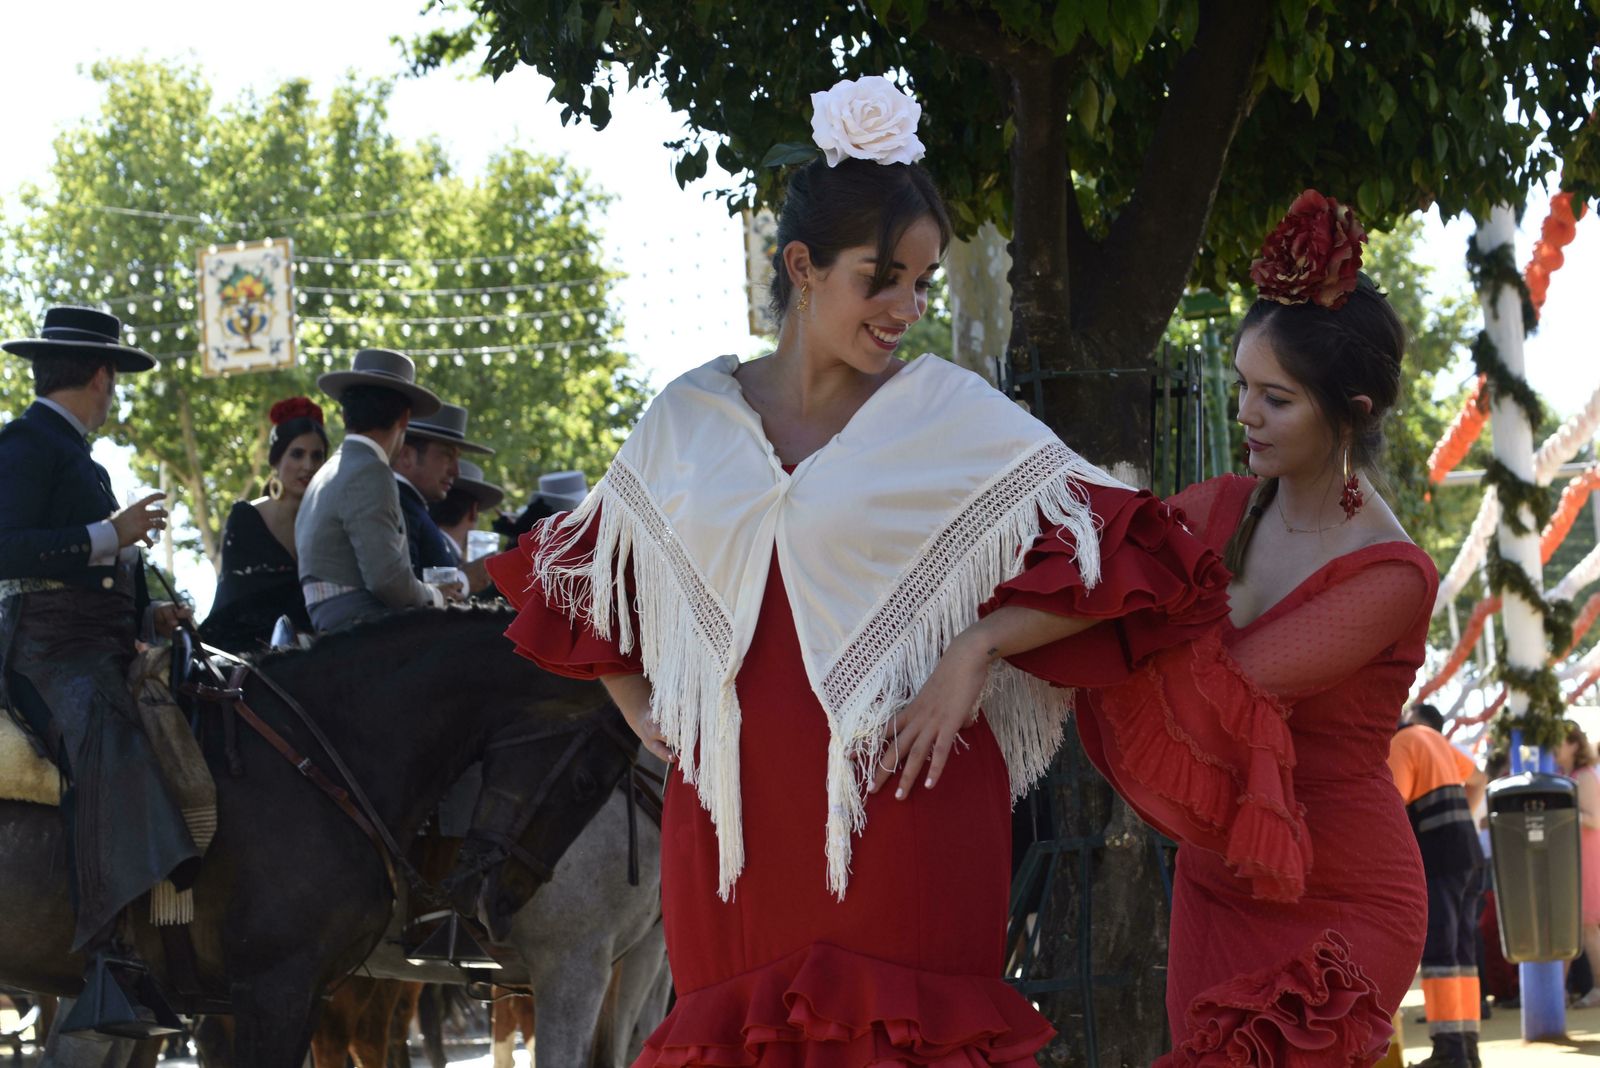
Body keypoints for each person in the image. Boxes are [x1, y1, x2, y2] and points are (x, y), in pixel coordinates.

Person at [488, 77, 1249, 1066]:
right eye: (879, 277)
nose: (905, 308)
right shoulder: (686, 418)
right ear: (802, 266)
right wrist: (647, 713)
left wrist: (975, 645)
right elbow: (573, 585)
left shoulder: (950, 415)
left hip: (909, 813)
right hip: (731, 835)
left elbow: (1131, 552)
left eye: (923, 282)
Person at [0, 305, 196, 1036]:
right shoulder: (25, 441)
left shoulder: (77, 454)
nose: (114, 392)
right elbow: (6, 548)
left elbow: (90, 580)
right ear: (99, 375)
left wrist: (151, 618)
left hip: (82, 641)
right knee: (110, 728)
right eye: (113, 379)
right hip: (42, 651)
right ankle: (108, 945)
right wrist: (109, 533)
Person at [295, 348, 449, 632]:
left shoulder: (329, 471)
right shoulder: (370, 471)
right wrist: (437, 596)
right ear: (405, 418)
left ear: (344, 414)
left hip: (331, 621)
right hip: (362, 627)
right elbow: (386, 580)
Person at [1389, 703, 1487, 1065]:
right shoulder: (1431, 736)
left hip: (1440, 858)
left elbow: (1392, 807)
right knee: (1463, 956)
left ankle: (1449, 1052)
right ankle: (1467, 1048)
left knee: (1441, 956)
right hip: (1469, 853)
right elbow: (1478, 779)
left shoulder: (1400, 744)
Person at [198, 396, 328, 652]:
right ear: (276, 460)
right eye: (297, 454)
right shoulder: (246, 519)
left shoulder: (328, 522)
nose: (308, 465)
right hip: (248, 660)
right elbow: (235, 606)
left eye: (317, 456)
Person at [392, 402, 492, 575]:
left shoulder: (412, 508)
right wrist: (465, 580)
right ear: (407, 455)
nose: (456, 471)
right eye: (447, 455)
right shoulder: (398, 505)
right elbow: (403, 584)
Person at [1554, 721, 1600, 1009]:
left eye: (1559, 742)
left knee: (1587, 927)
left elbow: (1594, 819)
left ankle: (1597, 986)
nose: (1555, 749)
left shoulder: (1584, 776)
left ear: (1573, 744)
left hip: (1586, 855)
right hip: (1571, 857)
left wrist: (1562, 811)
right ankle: (1557, 994)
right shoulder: (1568, 775)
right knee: (1570, 928)